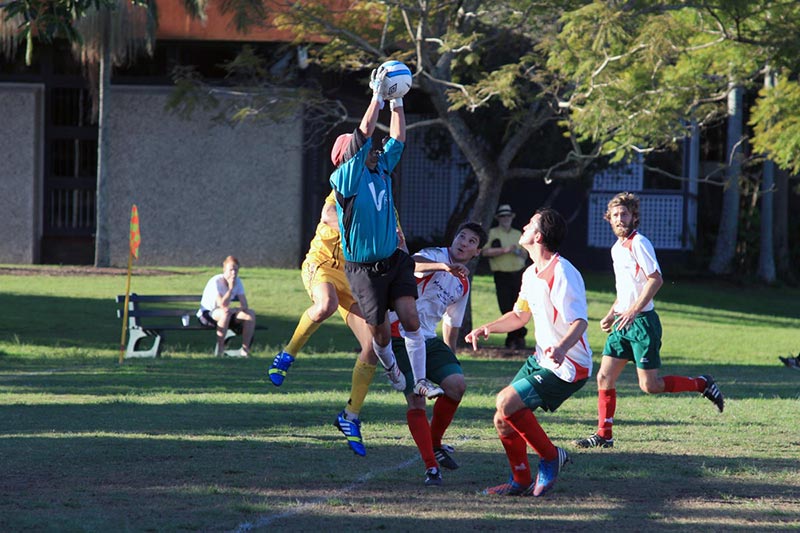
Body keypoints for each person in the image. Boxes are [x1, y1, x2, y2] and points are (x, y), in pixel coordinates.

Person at [573, 192, 724, 450]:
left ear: (634, 217)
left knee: (650, 386)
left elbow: (655, 279)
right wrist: (614, 311)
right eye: (616, 215)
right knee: (603, 378)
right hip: (623, 322)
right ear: (609, 218)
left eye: (625, 214)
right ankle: (604, 435)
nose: (621, 219)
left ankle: (702, 383)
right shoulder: (616, 248)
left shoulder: (639, 243)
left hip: (642, 324)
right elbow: (628, 288)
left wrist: (633, 310)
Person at [328, 66, 443, 401]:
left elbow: (398, 139)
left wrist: (397, 102)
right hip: (363, 269)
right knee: (379, 334)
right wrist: (377, 94)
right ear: (348, 158)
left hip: (394, 259)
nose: (372, 148)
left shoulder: (379, 170)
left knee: (410, 318)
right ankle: (391, 365)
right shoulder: (346, 179)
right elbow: (363, 133)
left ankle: (420, 380)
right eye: (361, 148)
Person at [267, 190, 405, 456]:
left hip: (355, 277)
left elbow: (400, 245)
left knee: (374, 345)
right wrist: (365, 228)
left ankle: (350, 416)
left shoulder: (387, 204)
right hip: (324, 264)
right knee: (325, 306)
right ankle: (287, 354)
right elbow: (328, 215)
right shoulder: (347, 185)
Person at [465, 208, 592, 497]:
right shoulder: (531, 273)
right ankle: (520, 480)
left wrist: (561, 348)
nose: (523, 225)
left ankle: (551, 457)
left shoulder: (562, 272)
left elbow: (579, 321)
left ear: (539, 235)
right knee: (502, 417)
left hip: (569, 365)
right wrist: (488, 328)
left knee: (506, 401)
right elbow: (519, 316)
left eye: (530, 223)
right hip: (543, 360)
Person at [390, 222, 488, 486]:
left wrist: (449, 357)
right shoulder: (435, 254)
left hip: (428, 339)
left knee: (456, 386)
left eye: (471, 242)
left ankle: (435, 443)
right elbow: (412, 264)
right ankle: (432, 468)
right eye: (462, 236)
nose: (464, 243)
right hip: (399, 336)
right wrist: (444, 267)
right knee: (416, 399)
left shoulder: (463, 283)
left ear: (476, 252)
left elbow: (452, 323)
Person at [482, 204, 527, 349]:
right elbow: (485, 252)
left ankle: (514, 339)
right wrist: (505, 250)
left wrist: (519, 253)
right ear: (499, 218)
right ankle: (519, 334)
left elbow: (525, 253)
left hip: (518, 273)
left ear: (511, 217)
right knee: (505, 306)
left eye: (508, 216)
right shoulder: (493, 233)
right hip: (501, 274)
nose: (505, 218)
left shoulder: (517, 234)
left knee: (519, 307)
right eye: (503, 216)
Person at [197, 255, 256, 357]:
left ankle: (245, 350)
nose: (233, 273)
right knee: (225, 312)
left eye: (236, 270)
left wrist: (235, 309)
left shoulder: (238, 281)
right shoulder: (215, 281)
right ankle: (220, 350)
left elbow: (245, 305)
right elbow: (222, 304)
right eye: (231, 270)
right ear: (224, 270)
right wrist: (231, 288)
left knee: (250, 314)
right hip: (208, 315)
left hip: (227, 313)